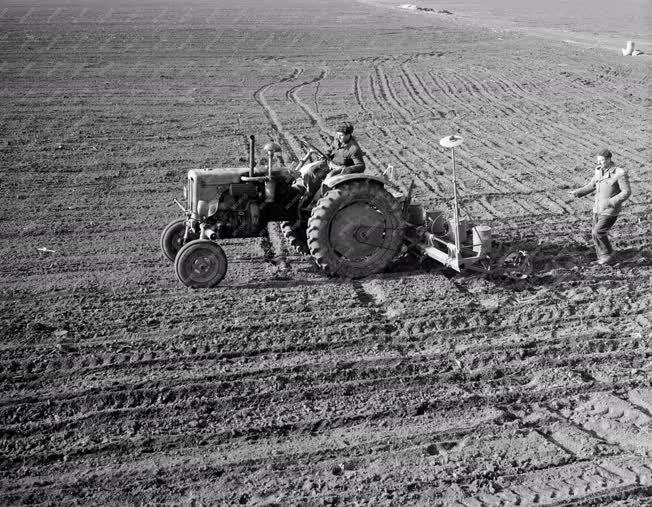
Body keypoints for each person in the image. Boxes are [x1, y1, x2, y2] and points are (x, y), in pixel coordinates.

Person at [569, 148, 631, 265]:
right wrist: (578, 192)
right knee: (594, 233)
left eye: (602, 161)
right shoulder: (598, 170)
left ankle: (609, 255)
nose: (600, 163)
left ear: (609, 159)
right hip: (597, 208)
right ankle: (602, 258)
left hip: (610, 210)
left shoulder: (619, 173)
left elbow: (626, 192)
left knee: (598, 232)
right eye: (598, 161)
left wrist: (611, 202)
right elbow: (592, 185)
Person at [292, 122, 366, 194]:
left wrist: (346, 169)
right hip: (330, 162)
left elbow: (361, 166)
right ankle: (309, 191)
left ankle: (320, 196)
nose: (339, 137)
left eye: (341, 135)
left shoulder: (353, 148)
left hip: (340, 168)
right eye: (338, 134)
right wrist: (326, 155)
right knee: (310, 171)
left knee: (328, 179)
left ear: (348, 135)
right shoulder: (337, 139)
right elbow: (330, 149)